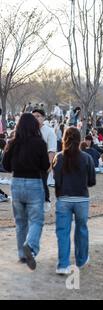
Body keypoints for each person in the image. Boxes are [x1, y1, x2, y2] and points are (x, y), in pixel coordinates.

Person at [2, 113, 50, 270]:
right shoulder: (40, 143)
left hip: (16, 183)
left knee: (20, 222)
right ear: (35, 126)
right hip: (34, 183)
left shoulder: (12, 143)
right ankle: (31, 246)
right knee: (36, 220)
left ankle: (22, 255)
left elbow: (6, 166)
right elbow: (44, 166)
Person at [52, 127, 96, 275]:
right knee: (81, 229)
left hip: (63, 198)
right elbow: (91, 181)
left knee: (63, 232)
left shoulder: (58, 157)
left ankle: (63, 264)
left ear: (64, 139)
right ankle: (81, 259)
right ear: (79, 140)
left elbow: (56, 180)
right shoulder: (87, 158)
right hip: (82, 198)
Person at [32, 109, 57, 213]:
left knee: (42, 182)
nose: (36, 118)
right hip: (31, 162)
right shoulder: (30, 130)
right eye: (33, 116)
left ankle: (46, 201)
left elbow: (52, 149)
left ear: (43, 118)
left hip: (44, 162)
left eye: (38, 116)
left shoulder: (49, 131)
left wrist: (50, 164)